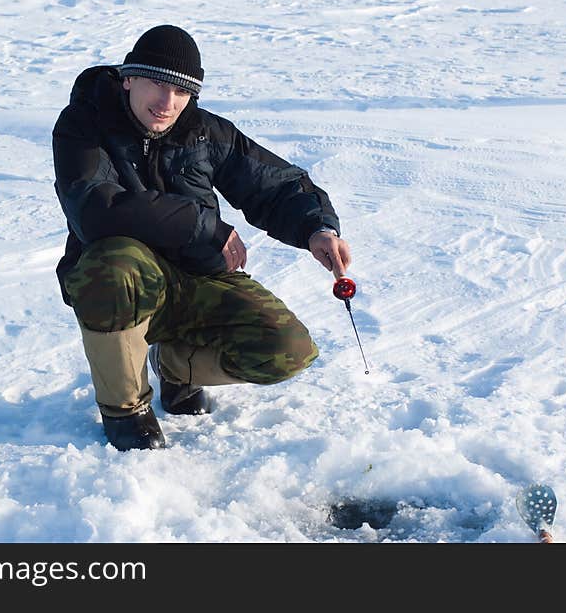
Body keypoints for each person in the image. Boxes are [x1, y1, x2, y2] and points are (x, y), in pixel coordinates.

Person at [51, 24, 351, 451]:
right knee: (112, 264)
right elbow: (96, 210)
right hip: (123, 283)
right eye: (156, 83)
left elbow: (275, 184)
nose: (167, 102)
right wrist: (204, 225)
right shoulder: (83, 126)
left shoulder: (205, 131)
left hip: (197, 277)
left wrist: (317, 228)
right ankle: (126, 410)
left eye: (181, 91)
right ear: (128, 77)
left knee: (286, 349)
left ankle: (175, 367)